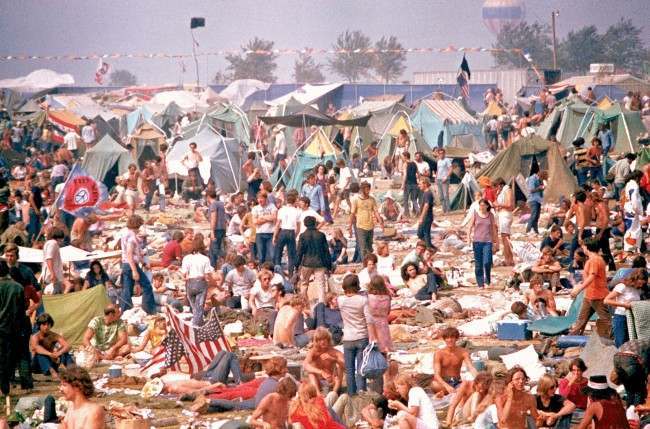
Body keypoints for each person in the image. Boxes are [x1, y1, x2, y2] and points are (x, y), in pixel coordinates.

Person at [569, 238, 612, 339]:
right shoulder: (595, 259)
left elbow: (592, 277)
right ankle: (572, 338)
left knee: (606, 320)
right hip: (590, 295)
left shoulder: (594, 260)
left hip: (597, 295)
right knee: (581, 319)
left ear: (587, 247)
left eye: (583, 246)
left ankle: (616, 338)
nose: (583, 248)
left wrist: (579, 289)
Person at [338, 274, 370, 395]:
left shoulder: (340, 300)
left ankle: (351, 395)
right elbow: (369, 320)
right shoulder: (363, 300)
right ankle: (362, 393)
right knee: (361, 369)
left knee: (349, 370)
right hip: (362, 336)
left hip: (348, 337)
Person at [119, 215, 155, 314]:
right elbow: (130, 254)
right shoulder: (131, 237)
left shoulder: (124, 233)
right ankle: (149, 309)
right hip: (131, 265)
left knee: (127, 289)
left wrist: (143, 263)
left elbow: (136, 252)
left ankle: (125, 311)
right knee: (147, 286)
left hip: (126, 264)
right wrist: (135, 270)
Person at [0, 260, 25, 396]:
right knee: (9, 359)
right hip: (13, 329)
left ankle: (2, 387)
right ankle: (6, 387)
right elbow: (22, 311)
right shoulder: (18, 287)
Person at [431, 327, 477, 396]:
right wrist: (446, 386)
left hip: (457, 381)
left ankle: (454, 392)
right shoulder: (439, 353)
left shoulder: (463, 352)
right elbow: (436, 374)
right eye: (447, 338)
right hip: (443, 382)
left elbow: (471, 368)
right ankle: (454, 392)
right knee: (434, 385)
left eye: (452, 337)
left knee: (471, 386)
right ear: (444, 339)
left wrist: (478, 379)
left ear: (456, 338)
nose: (449, 340)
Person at [297, 215, 332, 303]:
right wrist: (329, 265)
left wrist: (296, 264)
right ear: (315, 223)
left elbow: (300, 252)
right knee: (321, 284)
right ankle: (322, 303)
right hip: (320, 262)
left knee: (304, 284)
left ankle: (304, 302)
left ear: (305, 224)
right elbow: (326, 251)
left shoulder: (303, 236)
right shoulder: (321, 235)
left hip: (307, 263)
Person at [604, 268, 643, 347]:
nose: (640, 285)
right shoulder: (622, 286)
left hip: (633, 318)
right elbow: (606, 300)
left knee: (630, 343)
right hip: (621, 317)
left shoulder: (637, 289)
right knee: (621, 342)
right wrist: (624, 305)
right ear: (635, 279)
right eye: (640, 283)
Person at [181, 234, 214, 326]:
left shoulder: (186, 258)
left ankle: (198, 323)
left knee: (194, 307)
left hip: (190, 283)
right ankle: (196, 326)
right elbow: (207, 274)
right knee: (199, 307)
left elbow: (184, 273)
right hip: (200, 283)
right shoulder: (205, 259)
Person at [30, 313, 74, 379]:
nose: (46, 327)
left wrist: (58, 353)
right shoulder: (35, 337)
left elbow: (67, 345)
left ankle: (71, 369)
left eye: (48, 324)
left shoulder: (53, 335)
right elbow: (36, 348)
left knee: (65, 352)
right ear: (39, 325)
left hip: (51, 361)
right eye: (44, 324)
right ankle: (52, 371)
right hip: (37, 365)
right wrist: (50, 354)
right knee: (40, 354)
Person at [467, 199, 499, 288]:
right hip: (477, 242)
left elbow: (493, 229)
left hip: (488, 242)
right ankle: (480, 283)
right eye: (480, 205)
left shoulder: (490, 215)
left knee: (487, 262)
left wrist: (496, 241)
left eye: (483, 205)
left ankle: (487, 280)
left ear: (487, 206)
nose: (481, 207)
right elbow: (469, 227)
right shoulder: (475, 214)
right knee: (478, 264)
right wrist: (468, 238)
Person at [304, 327, 345, 393]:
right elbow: (305, 365)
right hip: (318, 382)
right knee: (311, 373)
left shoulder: (333, 351)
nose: (322, 342)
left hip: (332, 381)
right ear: (316, 341)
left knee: (340, 366)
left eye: (324, 339)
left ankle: (335, 393)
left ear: (328, 339)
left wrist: (334, 359)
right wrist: (321, 372)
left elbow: (346, 365)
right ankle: (318, 394)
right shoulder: (313, 352)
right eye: (320, 340)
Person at [350, 181, 383, 259]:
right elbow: (352, 214)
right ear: (362, 190)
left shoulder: (372, 199)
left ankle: (369, 262)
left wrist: (380, 222)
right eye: (366, 189)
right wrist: (350, 226)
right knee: (363, 247)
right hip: (360, 226)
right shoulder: (356, 200)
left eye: (369, 189)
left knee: (369, 247)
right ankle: (365, 264)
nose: (368, 191)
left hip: (370, 225)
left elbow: (376, 211)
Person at [273, 191, 300, 276]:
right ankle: (291, 273)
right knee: (291, 254)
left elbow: (278, 224)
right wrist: (294, 235)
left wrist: (274, 236)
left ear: (286, 201)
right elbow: (298, 227)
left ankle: (277, 271)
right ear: (294, 201)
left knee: (278, 251)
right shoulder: (297, 211)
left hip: (283, 230)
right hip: (291, 231)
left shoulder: (282, 209)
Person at [367, 275, 393, 353]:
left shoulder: (369, 297)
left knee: (374, 346)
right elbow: (388, 311)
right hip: (384, 322)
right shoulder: (387, 297)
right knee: (385, 346)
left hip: (373, 322)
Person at [493, 177, 514, 266]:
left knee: (505, 239)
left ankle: (509, 259)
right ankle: (508, 258)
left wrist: (499, 204)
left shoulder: (507, 190)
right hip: (502, 215)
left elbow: (509, 204)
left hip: (505, 215)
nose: (496, 188)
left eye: (497, 186)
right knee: (505, 238)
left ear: (500, 185)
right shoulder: (502, 192)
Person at [252, 191, 277, 265]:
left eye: (261, 198)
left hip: (271, 233)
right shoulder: (255, 208)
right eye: (258, 198)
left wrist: (261, 217)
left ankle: (273, 271)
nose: (259, 200)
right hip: (260, 234)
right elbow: (255, 221)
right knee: (261, 256)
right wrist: (268, 219)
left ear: (265, 198)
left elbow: (274, 217)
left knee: (273, 255)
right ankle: (261, 271)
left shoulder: (272, 206)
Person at [41, 227, 65, 294]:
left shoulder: (49, 243)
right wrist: (53, 274)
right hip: (53, 277)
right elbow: (49, 258)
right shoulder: (53, 243)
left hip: (51, 275)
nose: (62, 241)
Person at [526, 170, 548, 235]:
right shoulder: (532, 179)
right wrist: (539, 188)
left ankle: (535, 231)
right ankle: (528, 230)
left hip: (538, 199)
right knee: (533, 215)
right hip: (533, 199)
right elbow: (531, 190)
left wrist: (542, 187)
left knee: (537, 216)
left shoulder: (539, 180)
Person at [417, 178, 435, 247]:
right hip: (427, 216)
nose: (419, 186)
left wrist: (422, 217)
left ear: (425, 184)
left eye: (420, 184)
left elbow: (426, 205)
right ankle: (429, 246)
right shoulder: (426, 193)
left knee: (424, 233)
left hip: (426, 217)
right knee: (423, 233)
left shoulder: (428, 193)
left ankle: (428, 247)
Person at [402, 152, 419, 217]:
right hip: (415, 183)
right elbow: (418, 173)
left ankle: (407, 214)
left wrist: (403, 184)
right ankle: (418, 211)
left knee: (405, 199)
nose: (402, 158)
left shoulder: (405, 164)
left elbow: (405, 175)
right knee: (414, 199)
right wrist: (419, 181)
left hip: (408, 184)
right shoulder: (414, 163)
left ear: (406, 156)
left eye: (403, 157)